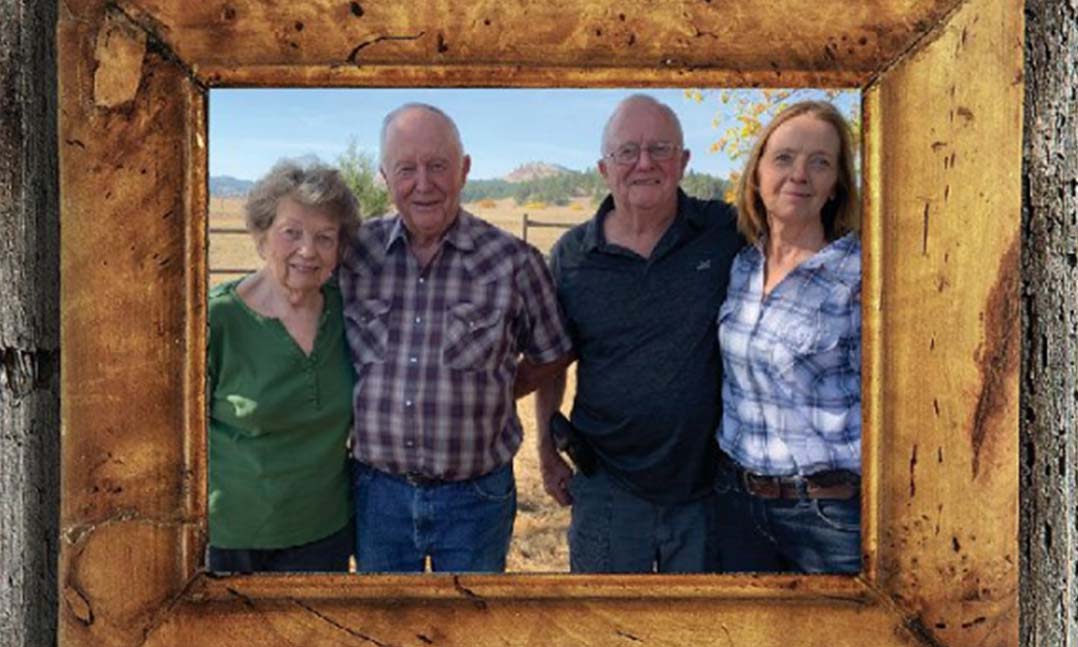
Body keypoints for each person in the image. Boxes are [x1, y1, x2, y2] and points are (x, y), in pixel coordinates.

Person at [339, 103, 573, 573]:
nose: (423, 184)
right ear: (385, 176)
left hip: (477, 498)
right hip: (376, 494)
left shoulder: (513, 261)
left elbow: (553, 353)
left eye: (438, 166)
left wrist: (500, 385)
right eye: (406, 169)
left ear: (464, 170)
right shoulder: (352, 254)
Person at [535, 94, 743, 573]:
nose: (643, 163)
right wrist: (547, 452)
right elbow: (551, 363)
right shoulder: (573, 255)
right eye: (627, 152)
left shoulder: (726, 230)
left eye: (660, 149)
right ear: (605, 168)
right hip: (606, 484)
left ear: (684, 162)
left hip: (706, 487)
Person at [714, 100, 862, 574]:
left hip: (828, 515)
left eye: (820, 162)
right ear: (757, 172)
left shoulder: (865, 274)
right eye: (784, 158)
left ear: (836, 183)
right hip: (737, 503)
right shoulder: (742, 265)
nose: (800, 174)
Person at [207, 160, 360, 573]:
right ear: (262, 237)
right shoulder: (216, 320)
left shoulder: (350, 315)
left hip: (324, 537)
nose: (307, 250)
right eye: (291, 233)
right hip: (230, 541)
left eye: (324, 237)